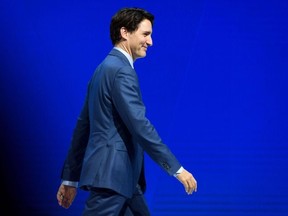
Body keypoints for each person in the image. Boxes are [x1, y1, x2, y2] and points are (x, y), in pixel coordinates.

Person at [56, 7, 197, 216]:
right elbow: (140, 125)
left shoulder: (103, 69)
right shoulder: (121, 71)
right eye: (145, 34)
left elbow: (82, 127)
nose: (150, 42)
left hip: (125, 182)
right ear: (125, 32)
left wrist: (70, 178)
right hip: (113, 178)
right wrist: (177, 169)